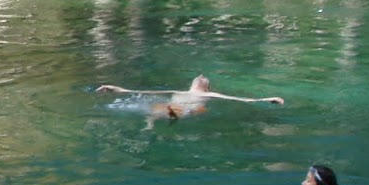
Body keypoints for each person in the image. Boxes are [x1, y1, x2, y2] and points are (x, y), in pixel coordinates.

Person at [97, 75, 284, 122]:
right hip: (188, 111)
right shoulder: (210, 94)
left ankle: (152, 122)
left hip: (169, 105)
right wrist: (268, 99)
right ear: (207, 86)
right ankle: (163, 118)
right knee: (201, 111)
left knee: (159, 110)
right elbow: (242, 100)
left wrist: (115, 89)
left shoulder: (178, 91)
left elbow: (138, 91)